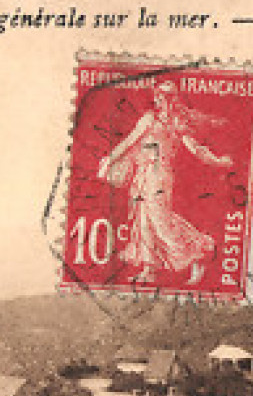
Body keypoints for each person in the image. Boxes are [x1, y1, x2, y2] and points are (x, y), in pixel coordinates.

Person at [97, 79, 233, 287]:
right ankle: (149, 270)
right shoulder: (148, 119)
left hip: (160, 177)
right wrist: (109, 159)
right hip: (142, 175)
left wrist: (218, 161)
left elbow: (195, 149)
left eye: (164, 97)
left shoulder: (177, 123)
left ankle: (200, 253)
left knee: (162, 223)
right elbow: (128, 143)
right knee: (143, 222)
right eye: (158, 97)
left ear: (172, 99)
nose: (159, 100)